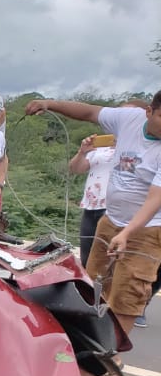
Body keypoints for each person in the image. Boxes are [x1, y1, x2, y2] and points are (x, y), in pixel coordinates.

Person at [25, 92, 161, 335]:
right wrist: (49, 103)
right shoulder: (129, 118)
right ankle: (88, 337)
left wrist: (128, 232)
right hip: (109, 221)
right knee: (94, 281)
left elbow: (155, 199)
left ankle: (112, 355)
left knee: (128, 292)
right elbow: (88, 112)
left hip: (147, 230)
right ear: (149, 112)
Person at [68, 133, 115, 266]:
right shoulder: (100, 147)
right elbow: (75, 169)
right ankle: (88, 286)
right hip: (91, 207)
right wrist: (82, 152)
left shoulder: (133, 146)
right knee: (87, 257)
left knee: (108, 259)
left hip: (113, 208)